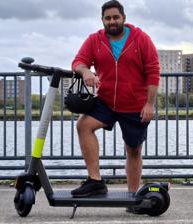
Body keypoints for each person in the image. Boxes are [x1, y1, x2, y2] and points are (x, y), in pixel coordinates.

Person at [70, 0, 160, 208]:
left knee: (133, 149)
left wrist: (149, 104)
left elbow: (153, 71)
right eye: (108, 18)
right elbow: (78, 61)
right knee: (84, 125)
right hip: (106, 101)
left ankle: (133, 197)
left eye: (115, 17)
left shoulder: (141, 38)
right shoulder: (95, 40)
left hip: (135, 104)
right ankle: (95, 182)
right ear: (102, 20)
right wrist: (85, 72)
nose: (112, 21)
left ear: (123, 18)